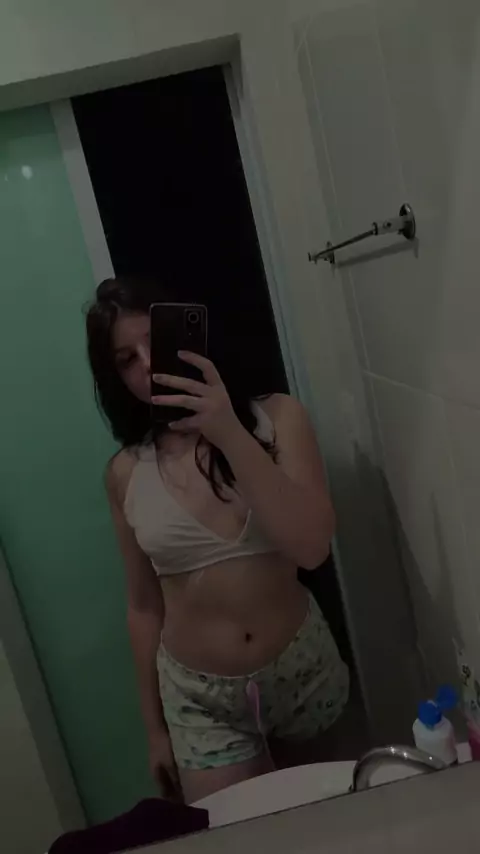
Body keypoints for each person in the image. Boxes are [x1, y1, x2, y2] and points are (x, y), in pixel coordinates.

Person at [86, 276, 349, 804]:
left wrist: (226, 428)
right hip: (199, 702)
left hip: (303, 670)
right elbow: (143, 607)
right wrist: (154, 730)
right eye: (127, 360)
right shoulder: (124, 472)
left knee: (343, 823)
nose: (147, 367)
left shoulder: (278, 418)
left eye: (155, 344)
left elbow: (312, 547)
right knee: (231, 834)